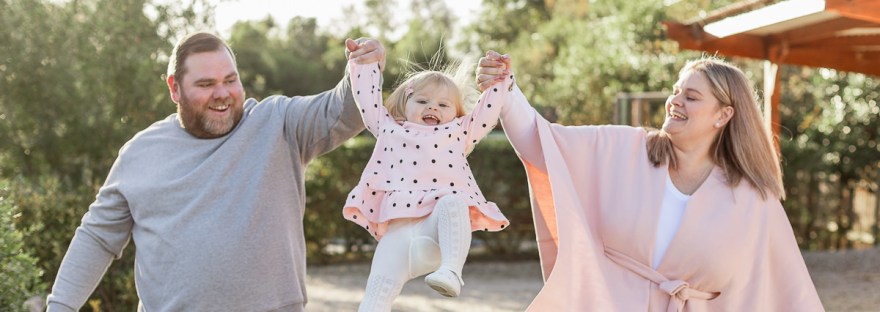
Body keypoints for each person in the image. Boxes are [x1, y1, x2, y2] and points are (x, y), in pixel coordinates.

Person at [45, 32, 385, 312]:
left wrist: (365, 69)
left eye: (230, 80)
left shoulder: (278, 124)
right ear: (174, 88)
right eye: (206, 84)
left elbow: (342, 112)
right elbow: (97, 237)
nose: (222, 94)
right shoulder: (140, 153)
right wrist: (60, 307)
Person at [476, 52, 824, 311]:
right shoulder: (625, 149)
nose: (675, 101)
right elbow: (541, 141)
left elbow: (789, 293)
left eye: (691, 96)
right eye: (676, 91)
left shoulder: (754, 201)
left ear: (723, 115)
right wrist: (505, 90)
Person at [343, 56, 514, 311]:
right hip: (396, 238)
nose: (432, 107)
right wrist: (366, 63)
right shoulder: (389, 128)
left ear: (456, 113)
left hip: (435, 234)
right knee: (374, 300)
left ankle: (451, 272)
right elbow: (367, 101)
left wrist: (499, 81)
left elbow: (486, 115)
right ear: (403, 105)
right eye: (422, 101)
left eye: (443, 104)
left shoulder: (458, 132)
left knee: (454, 202)